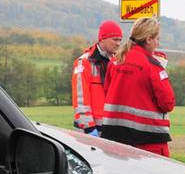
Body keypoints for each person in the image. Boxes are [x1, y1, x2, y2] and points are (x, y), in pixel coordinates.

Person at [101, 17, 176, 157]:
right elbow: (168, 103)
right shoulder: (152, 65)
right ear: (148, 39)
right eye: (157, 39)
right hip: (148, 139)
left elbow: (107, 90)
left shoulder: (116, 60)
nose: (158, 43)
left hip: (113, 135)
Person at [72, 21, 123, 136]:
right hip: (90, 129)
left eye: (120, 40)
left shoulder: (117, 63)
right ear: (102, 39)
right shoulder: (84, 62)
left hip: (110, 128)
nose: (118, 43)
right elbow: (80, 98)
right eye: (115, 39)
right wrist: (88, 127)